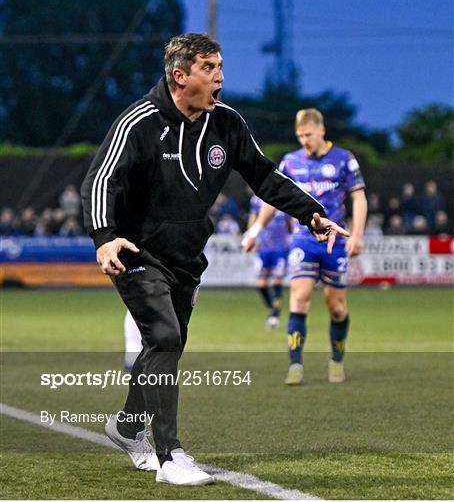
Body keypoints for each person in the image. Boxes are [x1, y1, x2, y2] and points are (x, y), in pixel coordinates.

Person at [81, 34, 348, 486]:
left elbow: (264, 175)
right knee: (163, 337)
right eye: (209, 67)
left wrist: (311, 214)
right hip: (135, 251)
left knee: (166, 345)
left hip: (186, 257)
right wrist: (105, 237)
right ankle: (170, 457)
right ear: (180, 76)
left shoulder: (226, 124)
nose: (220, 75)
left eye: (221, 65)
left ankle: (127, 428)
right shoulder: (139, 123)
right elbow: (100, 180)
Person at [243, 108, 367, 385]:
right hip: (302, 241)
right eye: (300, 136)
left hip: (335, 241)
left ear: (321, 130)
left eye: (308, 135)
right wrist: (254, 230)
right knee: (299, 299)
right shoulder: (290, 162)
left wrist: (357, 235)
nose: (304, 141)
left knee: (336, 306)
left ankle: (336, 360)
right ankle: (295, 364)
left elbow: (358, 199)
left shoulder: (344, 160)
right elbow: (272, 199)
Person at [247, 194, 291, 329]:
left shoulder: (284, 195)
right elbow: (252, 219)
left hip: (280, 247)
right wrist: (251, 238)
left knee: (277, 281)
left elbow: (291, 221)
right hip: (263, 247)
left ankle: (275, 315)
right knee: (261, 284)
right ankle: (272, 308)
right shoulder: (256, 199)